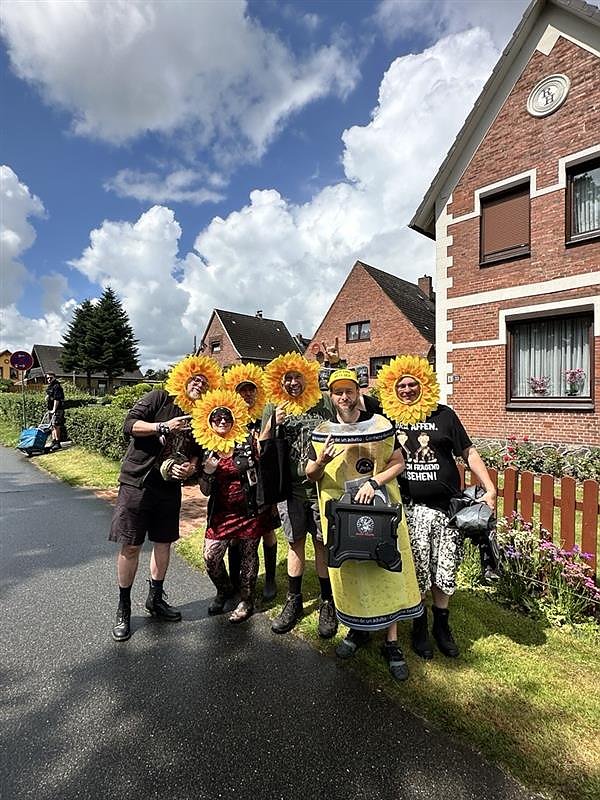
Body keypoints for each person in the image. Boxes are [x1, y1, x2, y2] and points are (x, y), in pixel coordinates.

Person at [305, 369, 423, 681]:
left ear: (359, 391)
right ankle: (358, 630)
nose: (344, 397)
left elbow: (398, 463)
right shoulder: (322, 432)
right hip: (342, 518)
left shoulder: (381, 425)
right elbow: (311, 475)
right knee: (353, 571)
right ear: (331, 396)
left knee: (385, 570)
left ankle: (392, 642)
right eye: (338, 392)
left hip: (379, 513)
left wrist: (374, 481)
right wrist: (321, 461)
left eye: (349, 391)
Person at [377, 355, 496, 660]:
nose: (406, 390)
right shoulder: (388, 418)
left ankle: (441, 625)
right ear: (393, 388)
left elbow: (468, 452)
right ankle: (419, 625)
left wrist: (490, 488)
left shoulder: (444, 415)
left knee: (443, 570)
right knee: (417, 571)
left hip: (446, 510)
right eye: (401, 385)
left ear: (424, 384)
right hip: (410, 509)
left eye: (412, 384)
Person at [109, 355, 221, 642]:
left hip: (168, 488)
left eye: (205, 381)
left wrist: (192, 467)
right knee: (131, 546)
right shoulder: (159, 397)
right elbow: (130, 424)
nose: (199, 383)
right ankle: (123, 609)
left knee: (163, 544)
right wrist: (163, 426)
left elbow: (198, 451)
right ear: (183, 379)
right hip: (137, 483)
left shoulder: (201, 416)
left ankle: (155, 599)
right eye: (195, 378)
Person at [261, 352, 337, 638]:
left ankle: (327, 602)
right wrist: (273, 422)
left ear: (308, 377)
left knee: (321, 545)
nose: (293, 382)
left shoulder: (323, 403)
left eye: (297, 377)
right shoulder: (274, 405)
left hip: (321, 489)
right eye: (288, 378)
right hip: (290, 490)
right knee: (295, 544)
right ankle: (293, 601)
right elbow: (262, 445)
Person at [197, 400, 271, 622]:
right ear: (210, 421)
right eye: (217, 418)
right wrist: (208, 472)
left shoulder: (247, 441)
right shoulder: (206, 447)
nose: (222, 421)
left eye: (226, 417)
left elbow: (265, 463)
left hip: (249, 512)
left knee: (249, 557)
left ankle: (246, 600)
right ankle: (225, 589)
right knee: (211, 556)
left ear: (234, 420)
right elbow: (204, 490)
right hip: (221, 514)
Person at [221, 364, 278, 602]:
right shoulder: (229, 420)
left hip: (264, 484)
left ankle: (271, 579)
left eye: (250, 390)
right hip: (237, 488)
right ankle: (235, 582)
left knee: (268, 532)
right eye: (241, 390)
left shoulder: (265, 414)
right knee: (236, 534)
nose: (246, 394)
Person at [45, 372, 65, 451]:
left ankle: (57, 442)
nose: (49, 379)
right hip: (50, 409)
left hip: (57, 409)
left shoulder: (57, 386)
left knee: (56, 426)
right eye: (48, 378)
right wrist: (47, 396)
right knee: (52, 426)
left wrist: (54, 409)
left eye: (51, 378)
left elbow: (57, 399)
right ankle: (53, 441)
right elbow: (50, 394)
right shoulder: (50, 386)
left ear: (54, 378)